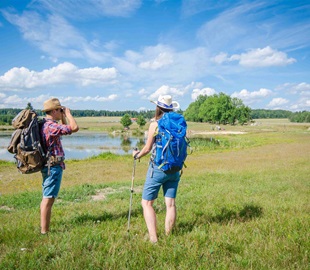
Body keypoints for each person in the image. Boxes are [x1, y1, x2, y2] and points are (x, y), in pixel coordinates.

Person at [132, 95, 183, 243]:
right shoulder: (177, 123)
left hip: (158, 168)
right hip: (175, 169)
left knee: (147, 203)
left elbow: (147, 148)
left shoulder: (155, 124)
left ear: (158, 108)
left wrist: (137, 155)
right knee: (171, 203)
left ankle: (154, 239)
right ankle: (168, 235)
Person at [40, 98, 79, 235]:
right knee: (48, 198)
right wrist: (68, 115)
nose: (61, 111)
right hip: (53, 167)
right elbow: (74, 128)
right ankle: (44, 231)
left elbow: (66, 131)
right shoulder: (51, 126)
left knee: (48, 197)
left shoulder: (47, 124)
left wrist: (62, 117)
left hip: (50, 165)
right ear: (54, 110)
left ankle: (45, 229)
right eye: (60, 110)